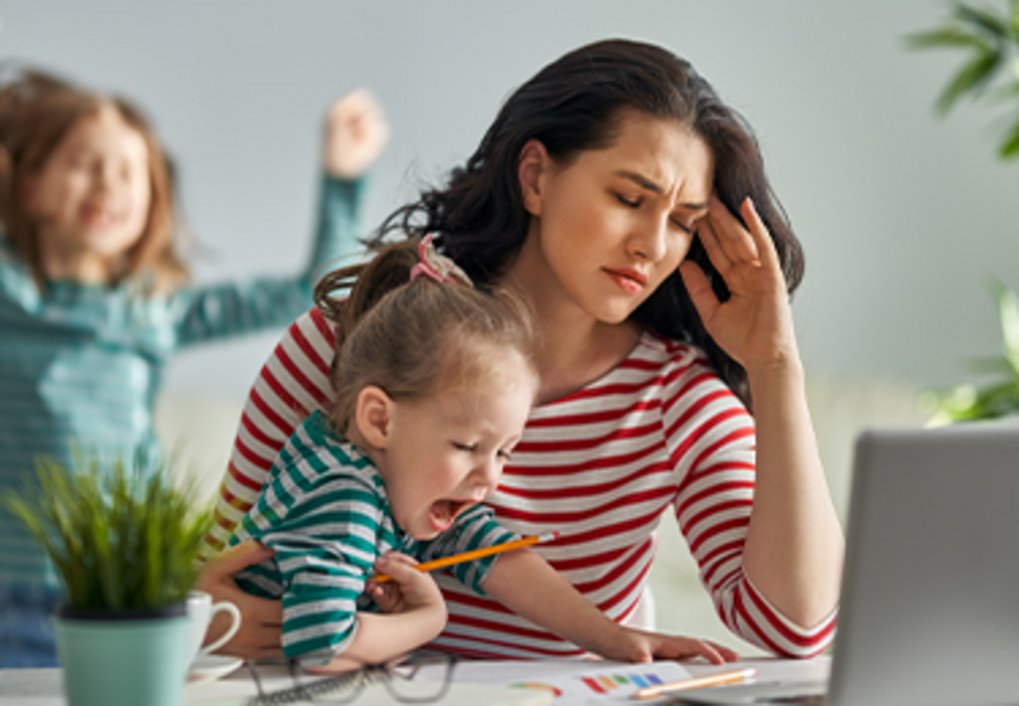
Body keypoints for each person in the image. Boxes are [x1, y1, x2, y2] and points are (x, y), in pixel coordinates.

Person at [199, 38, 844, 661]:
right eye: (629, 199)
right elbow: (212, 566)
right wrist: (205, 620)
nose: (653, 244)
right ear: (535, 177)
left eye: (682, 222)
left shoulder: (674, 397)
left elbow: (794, 629)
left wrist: (775, 366)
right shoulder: (352, 340)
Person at [0, 66, 388, 667]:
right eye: (85, 163)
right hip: (12, 594)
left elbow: (313, 290)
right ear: (31, 189)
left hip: (126, 591)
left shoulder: (153, 309)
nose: (109, 183)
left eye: (130, 171)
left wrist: (342, 177)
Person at [228, 237, 738, 670]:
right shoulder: (346, 501)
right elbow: (320, 645)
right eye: (468, 447)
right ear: (379, 419)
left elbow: (493, 553)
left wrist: (614, 638)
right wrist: (428, 620)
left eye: (505, 453)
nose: (489, 479)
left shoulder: (387, 476)